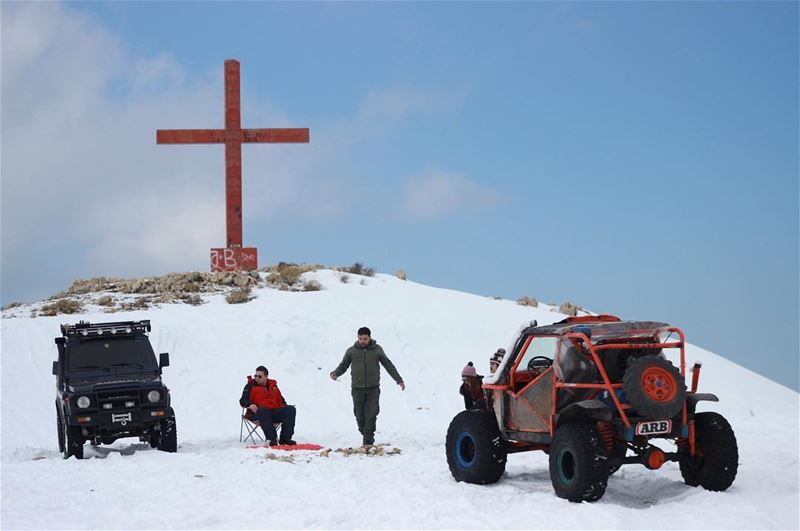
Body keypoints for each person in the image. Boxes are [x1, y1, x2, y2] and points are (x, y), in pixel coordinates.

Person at [330, 327, 405, 446]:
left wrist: (398, 379)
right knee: (359, 415)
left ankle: (368, 440)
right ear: (357, 338)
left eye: (365, 339)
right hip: (357, 388)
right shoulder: (351, 351)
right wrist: (335, 373)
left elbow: (388, 365)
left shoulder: (377, 350)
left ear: (370, 337)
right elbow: (344, 365)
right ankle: (364, 432)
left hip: (373, 388)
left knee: (371, 414)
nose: (362, 341)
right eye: (360, 338)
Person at [239, 365, 297, 446]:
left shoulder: (273, 386)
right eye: (255, 376)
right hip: (257, 413)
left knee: (291, 409)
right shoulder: (250, 386)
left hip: (273, 412)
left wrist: (286, 408)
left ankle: (285, 439)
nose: (256, 378)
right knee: (262, 410)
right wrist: (250, 404)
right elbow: (242, 401)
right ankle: (271, 439)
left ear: (266, 376)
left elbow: (282, 401)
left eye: (259, 376)